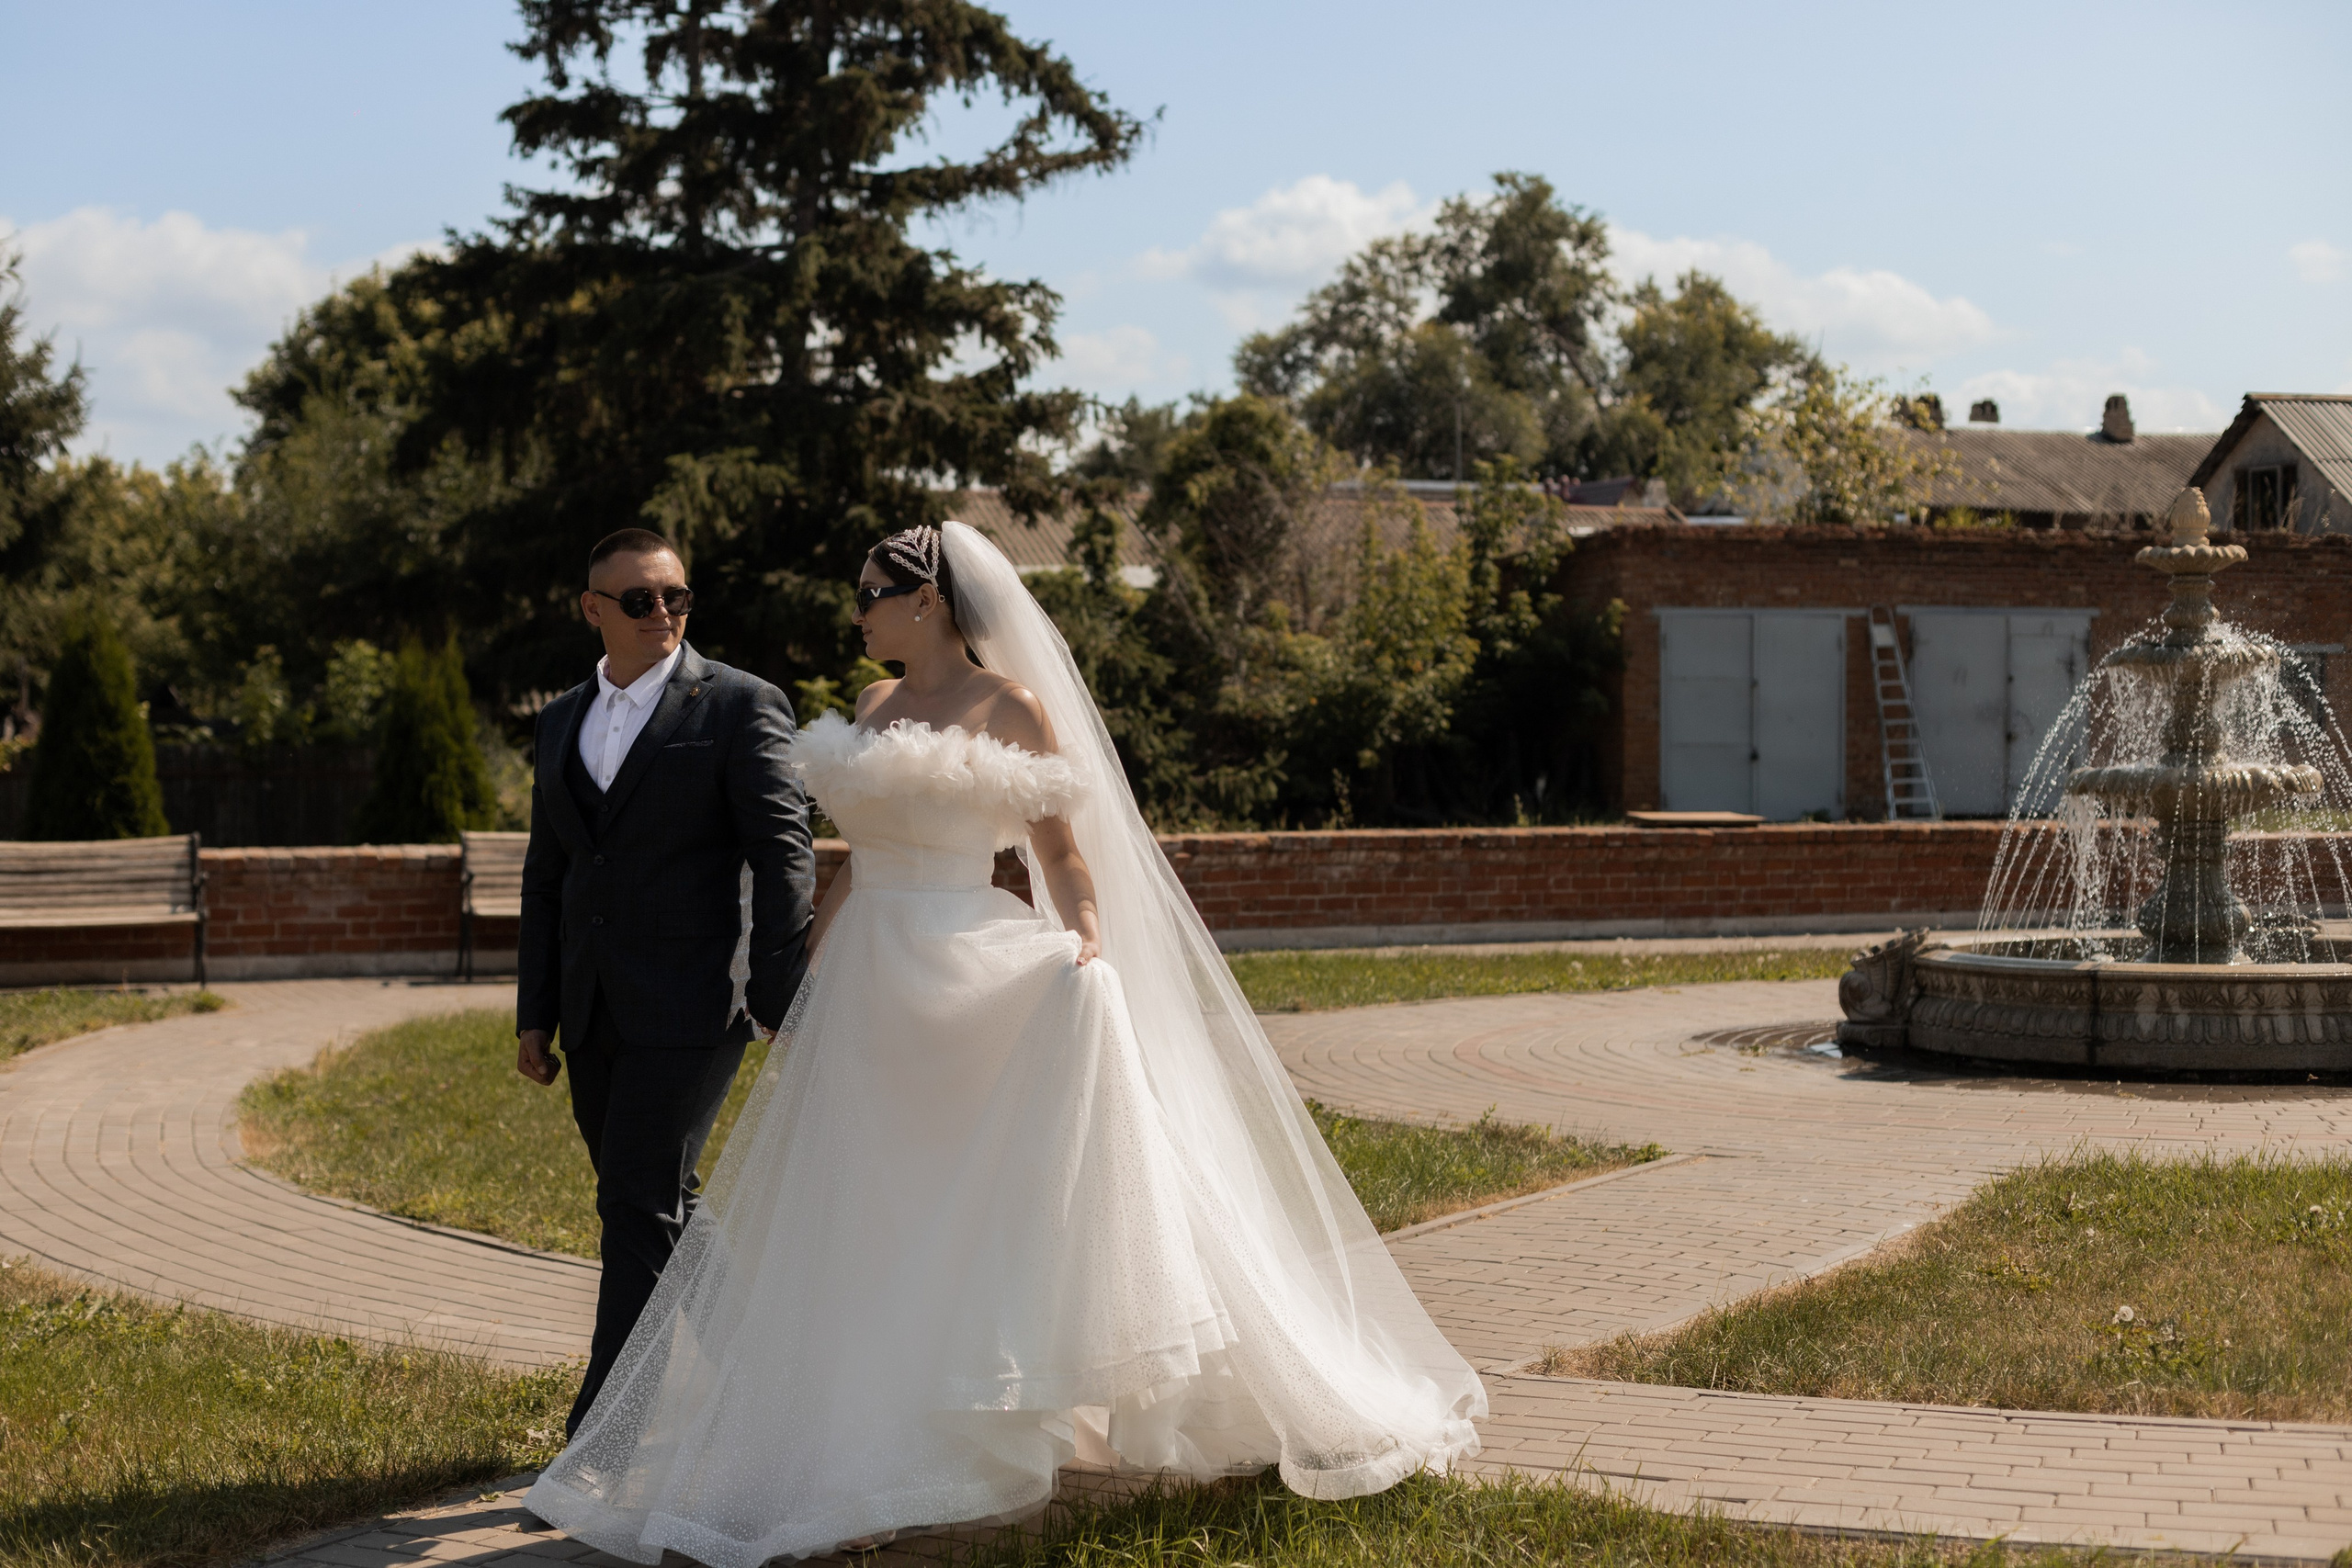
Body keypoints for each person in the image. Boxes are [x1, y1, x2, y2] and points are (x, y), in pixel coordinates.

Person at [526, 523, 1484, 1565]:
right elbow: (850, 866)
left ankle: (986, 1395)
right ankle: (876, 1407)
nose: (858, 612)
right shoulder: (874, 707)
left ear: (926, 599)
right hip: (871, 982)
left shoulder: (1009, 708)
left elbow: (1059, 852)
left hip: (967, 962)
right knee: (874, 1199)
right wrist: (802, 976)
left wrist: (1083, 938)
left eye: (871, 593)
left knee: (968, 1190)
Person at [514, 526, 816, 1440]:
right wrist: (535, 1011)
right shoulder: (562, 716)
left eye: (676, 597)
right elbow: (547, 870)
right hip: (592, 1005)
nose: (663, 614)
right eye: (640, 600)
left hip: (699, 998)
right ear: (593, 608)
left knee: (636, 1200)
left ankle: (602, 1444)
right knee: (658, 1203)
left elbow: (782, 852)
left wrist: (774, 986)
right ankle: (782, 1391)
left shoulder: (739, 704)